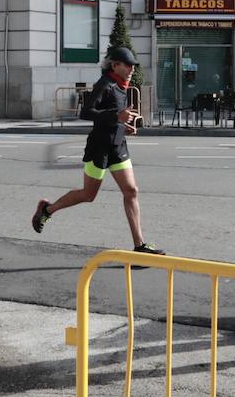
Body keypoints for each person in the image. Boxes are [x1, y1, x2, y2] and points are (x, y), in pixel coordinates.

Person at [31, 46, 164, 255]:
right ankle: (46, 210)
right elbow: (86, 112)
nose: (131, 69)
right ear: (115, 65)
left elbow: (114, 116)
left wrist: (123, 126)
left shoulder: (122, 85)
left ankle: (139, 246)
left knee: (131, 191)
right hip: (99, 148)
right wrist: (116, 118)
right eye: (127, 65)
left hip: (117, 147)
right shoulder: (106, 84)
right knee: (88, 194)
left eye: (133, 66)